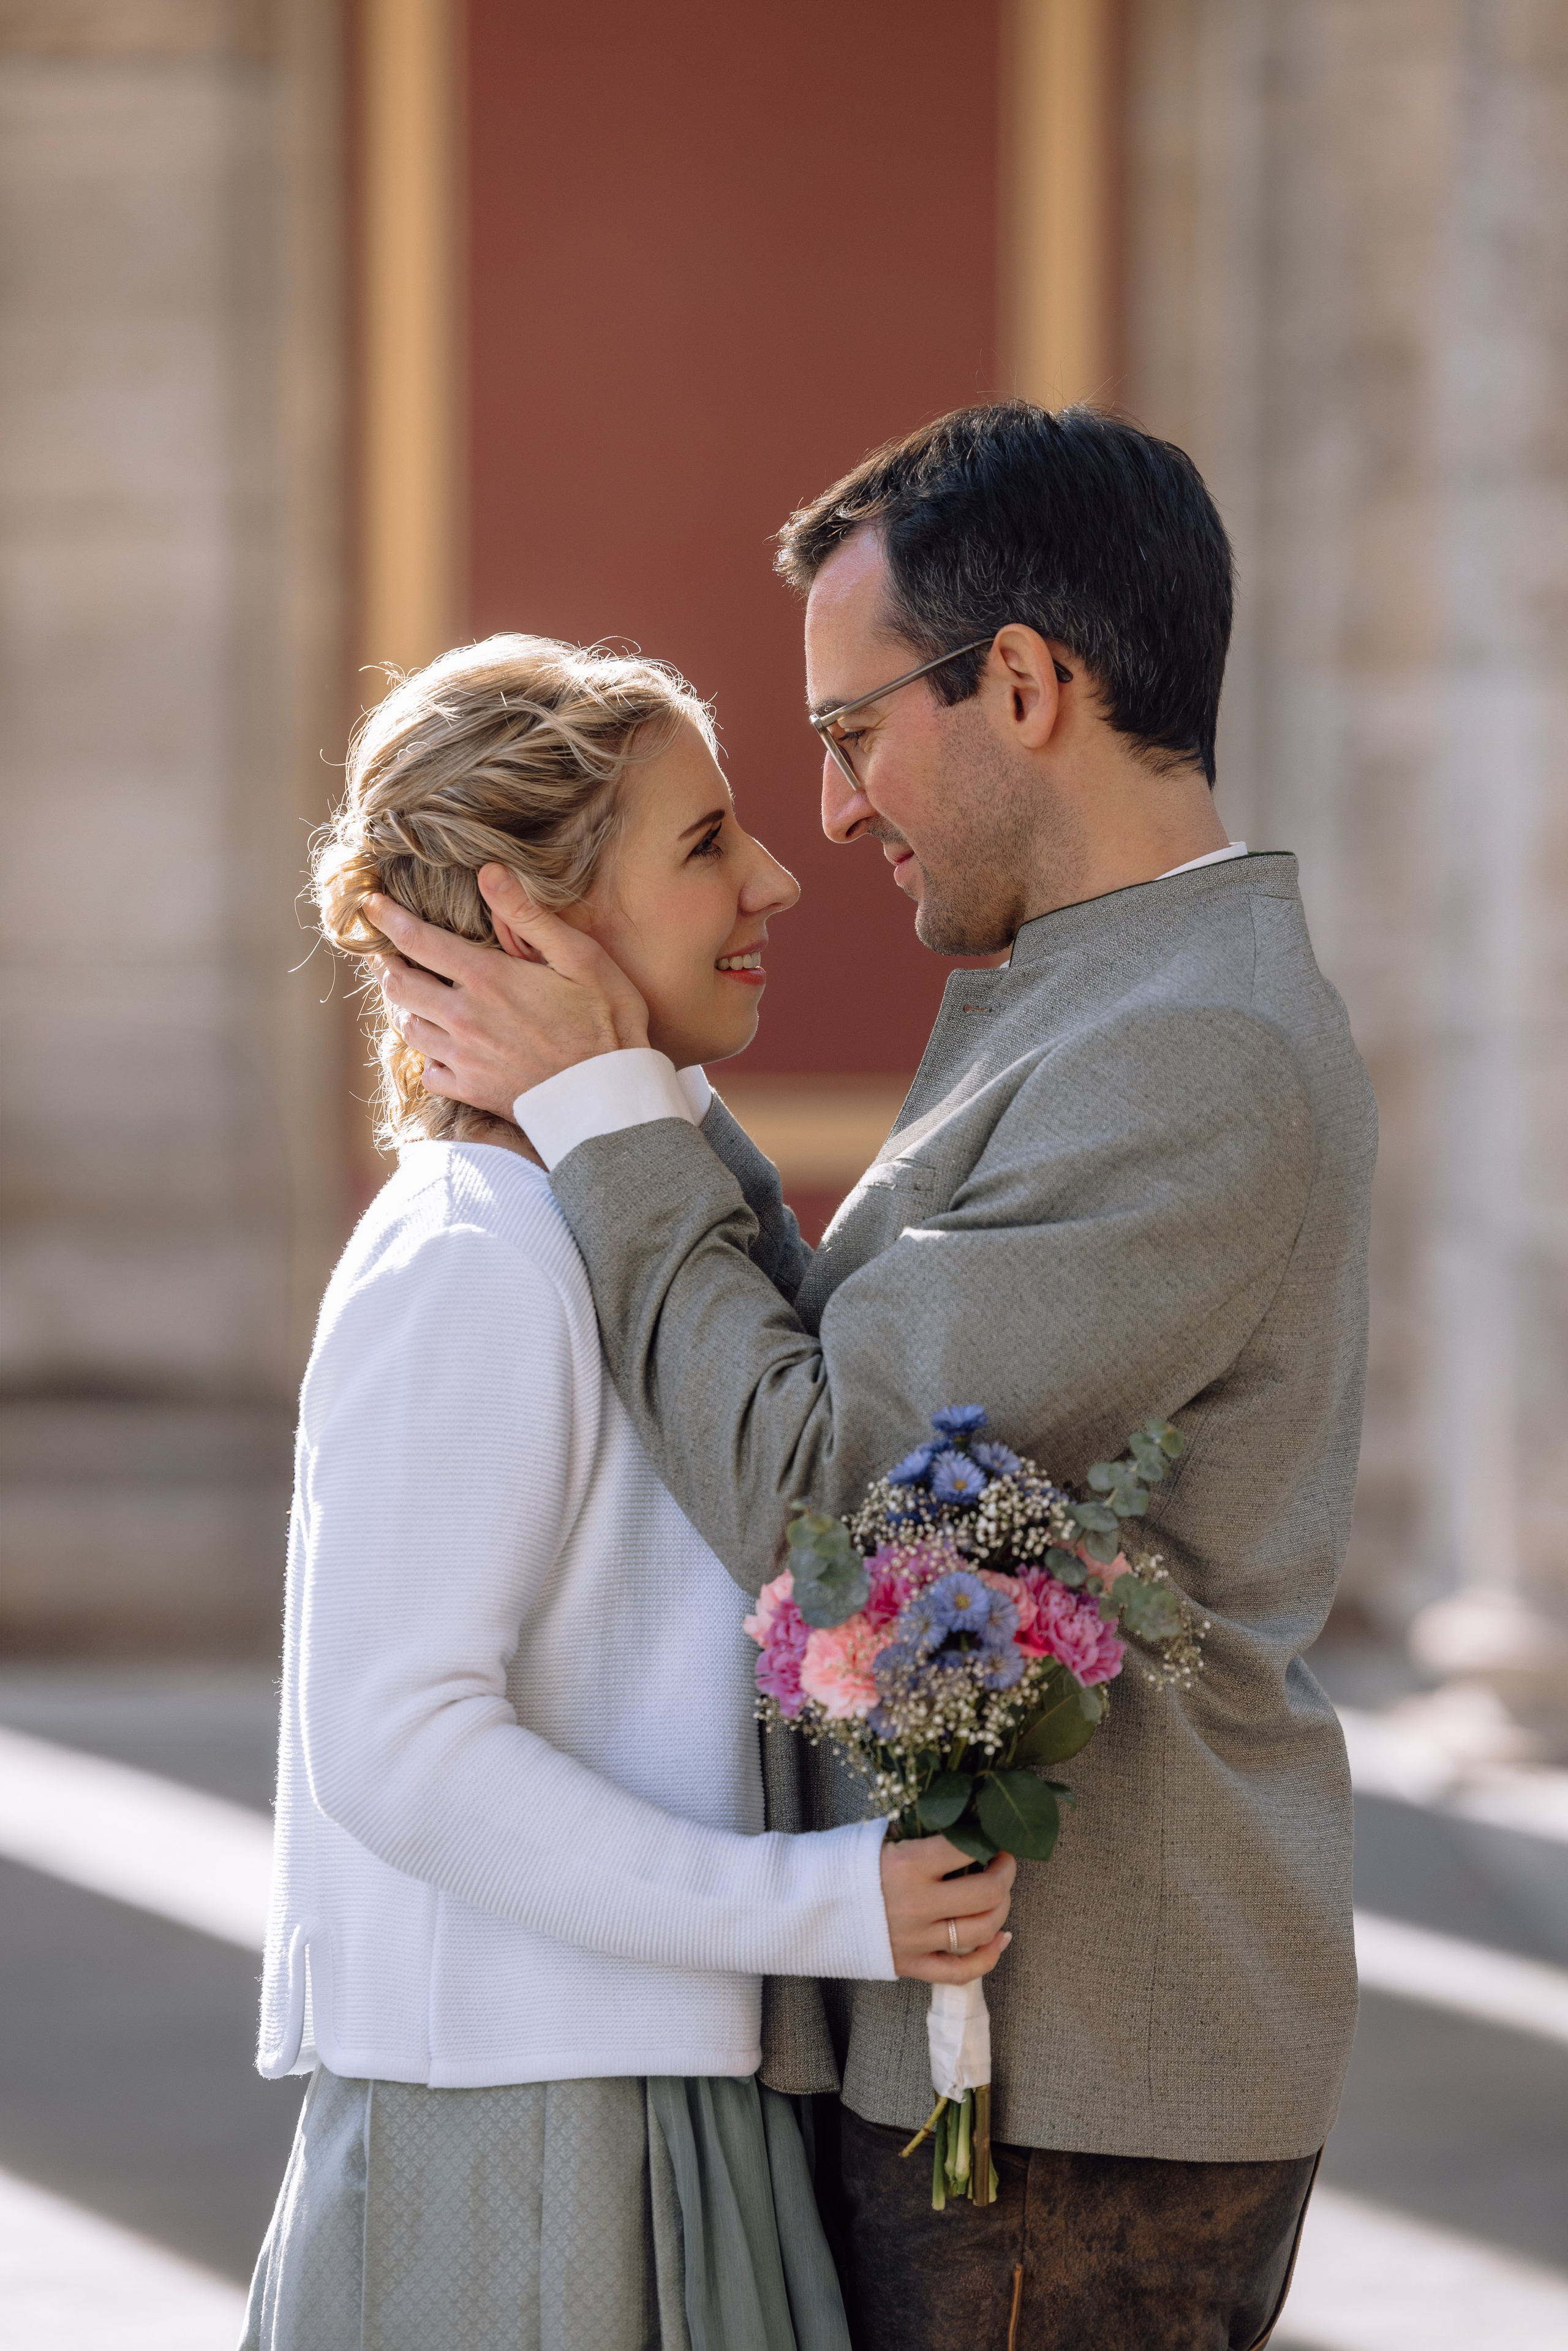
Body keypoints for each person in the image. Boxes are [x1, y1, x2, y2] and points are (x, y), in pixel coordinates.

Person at [371, 403, 1379, 2351]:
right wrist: (617, 1075)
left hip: (1074, 2082)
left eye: (849, 733)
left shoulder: (1195, 1050)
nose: (833, 817)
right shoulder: (1079, 988)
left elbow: (833, 1496)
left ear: (1021, 685)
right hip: (991, 2062)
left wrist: (595, 1099)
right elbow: (865, 1362)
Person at [242, 634, 1016, 2351]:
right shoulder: (474, 1252)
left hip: (638, 2091)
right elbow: (398, 1740)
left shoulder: (585, 1224)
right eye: (701, 843)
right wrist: (816, 1905)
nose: (773, 874)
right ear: (532, 922)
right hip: (527, 2142)